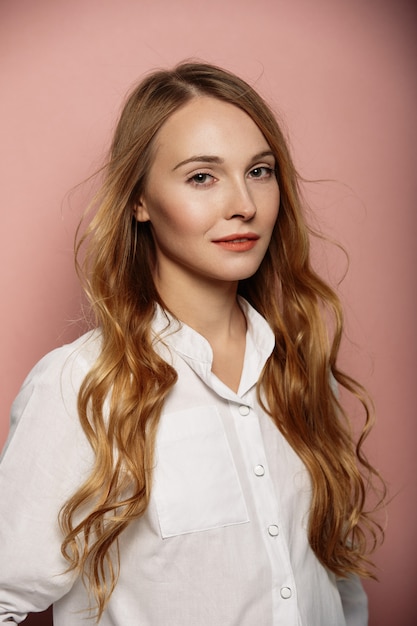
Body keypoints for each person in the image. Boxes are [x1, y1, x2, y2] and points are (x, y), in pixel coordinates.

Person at [0, 62, 383, 626]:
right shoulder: (82, 385)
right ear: (140, 201)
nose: (244, 204)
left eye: (259, 171)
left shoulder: (302, 369)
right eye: (202, 176)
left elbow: (336, 586)